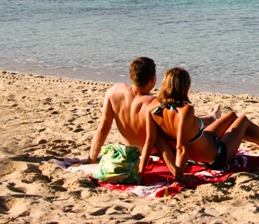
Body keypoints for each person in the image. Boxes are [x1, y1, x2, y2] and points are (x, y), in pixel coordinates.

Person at [144, 67, 259, 181]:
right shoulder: (185, 110)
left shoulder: (153, 110)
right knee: (243, 120)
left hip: (203, 145)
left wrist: (140, 171)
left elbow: (150, 141)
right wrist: (179, 178)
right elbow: (182, 147)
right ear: (185, 87)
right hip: (216, 156)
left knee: (232, 116)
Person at [88, 57, 220, 176]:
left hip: (133, 150)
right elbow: (181, 123)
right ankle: (210, 120)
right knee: (165, 135)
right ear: (153, 79)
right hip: (153, 151)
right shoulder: (154, 104)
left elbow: (103, 128)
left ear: (130, 76)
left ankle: (210, 119)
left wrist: (91, 158)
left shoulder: (114, 91)